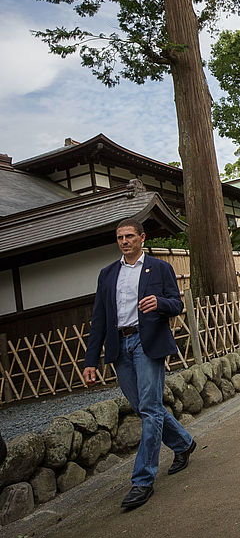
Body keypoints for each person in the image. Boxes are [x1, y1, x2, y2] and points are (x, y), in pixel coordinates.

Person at [82, 217, 195, 511]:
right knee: (146, 407)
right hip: (120, 346)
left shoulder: (159, 268)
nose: (124, 241)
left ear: (142, 238)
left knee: (148, 408)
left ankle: (143, 480)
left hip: (148, 343)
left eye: (129, 236)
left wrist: (159, 302)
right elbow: (99, 320)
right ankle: (183, 443)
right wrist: (90, 361)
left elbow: (177, 303)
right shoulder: (107, 274)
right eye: (120, 237)